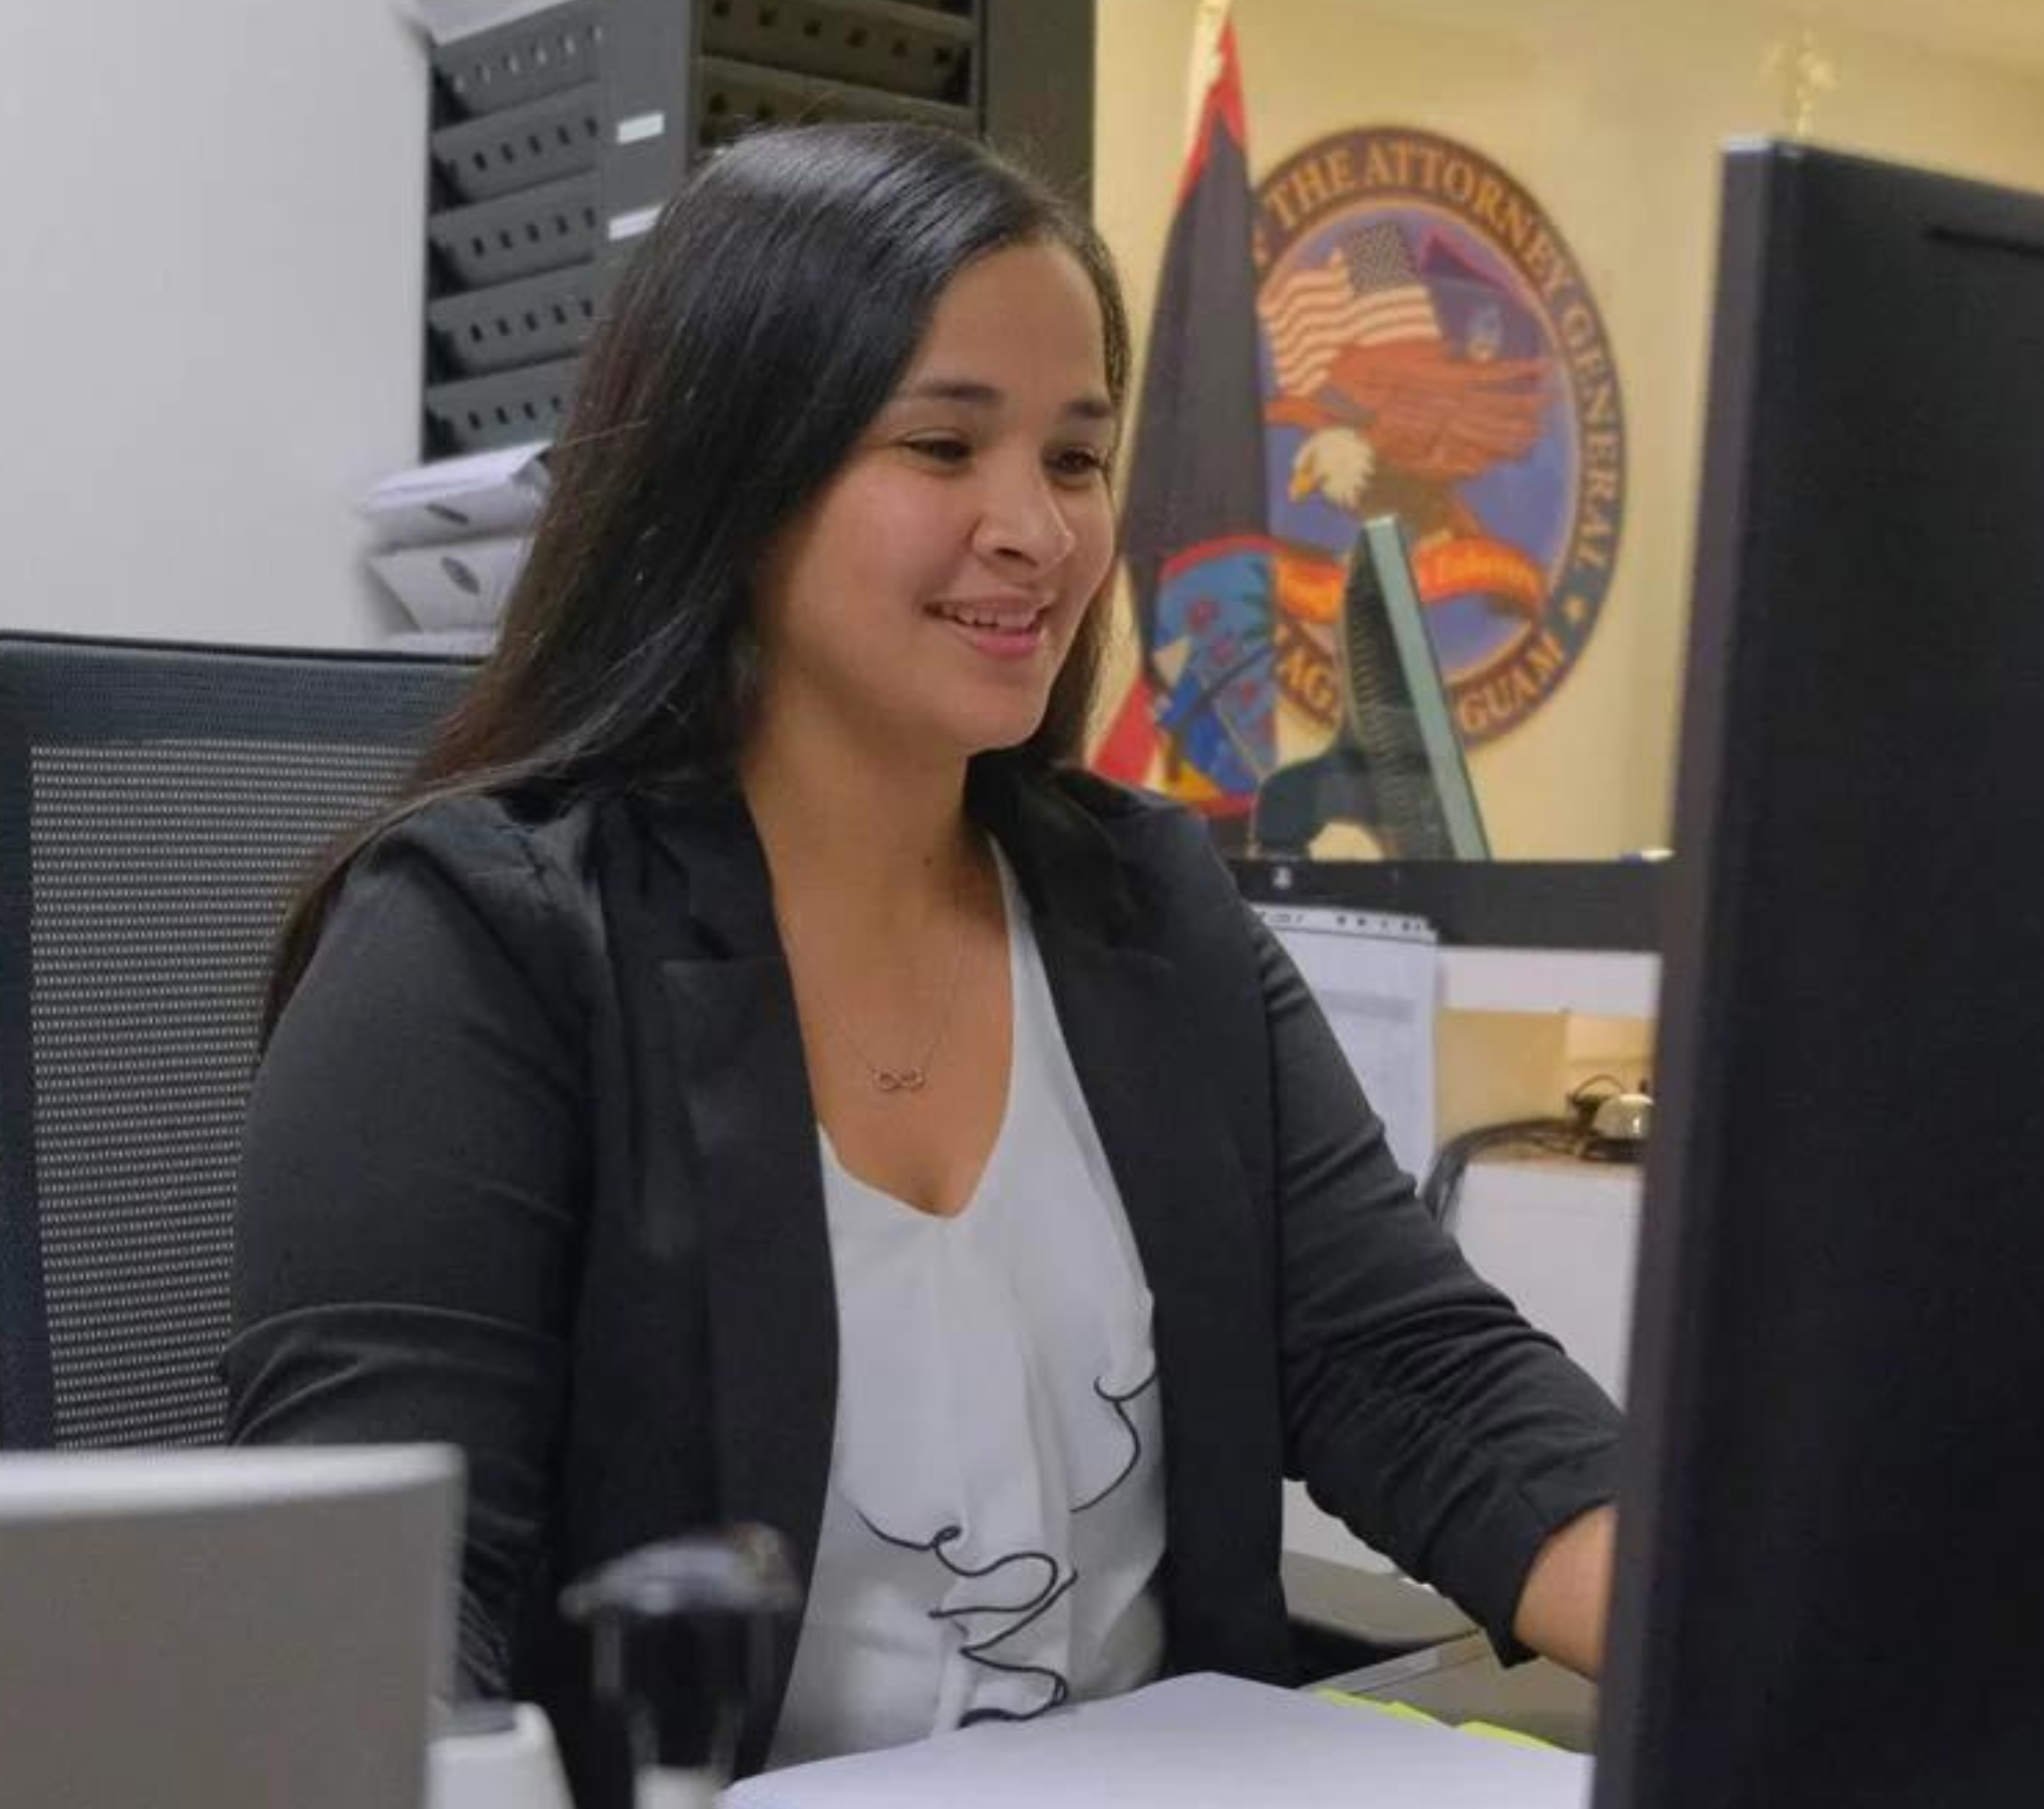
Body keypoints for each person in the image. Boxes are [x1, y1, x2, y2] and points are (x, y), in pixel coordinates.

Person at [223, 122, 1622, 1792]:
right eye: (945, 446)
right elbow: (371, 1620)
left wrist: (1782, 1640)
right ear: (737, 480)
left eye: (1078, 459)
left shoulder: (1150, 911)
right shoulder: (481, 947)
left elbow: (1414, 1373)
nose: (1035, 528)